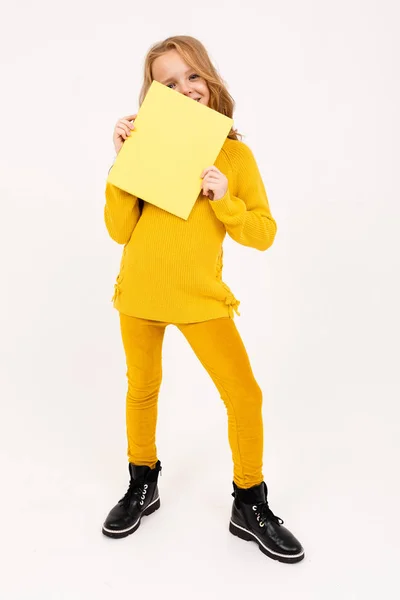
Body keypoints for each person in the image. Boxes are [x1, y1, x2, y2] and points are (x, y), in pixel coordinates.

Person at [101, 35, 305, 564]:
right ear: (154, 95)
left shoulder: (235, 156)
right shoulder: (147, 145)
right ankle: (142, 482)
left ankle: (250, 502)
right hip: (140, 293)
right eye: (168, 83)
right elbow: (119, 230)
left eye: (192, 76)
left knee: (244, 395)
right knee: (142, 389)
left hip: (200, 298)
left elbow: (263, 233)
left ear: (209, 80)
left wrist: (225, 200)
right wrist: (121, 164)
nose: (184, 88)